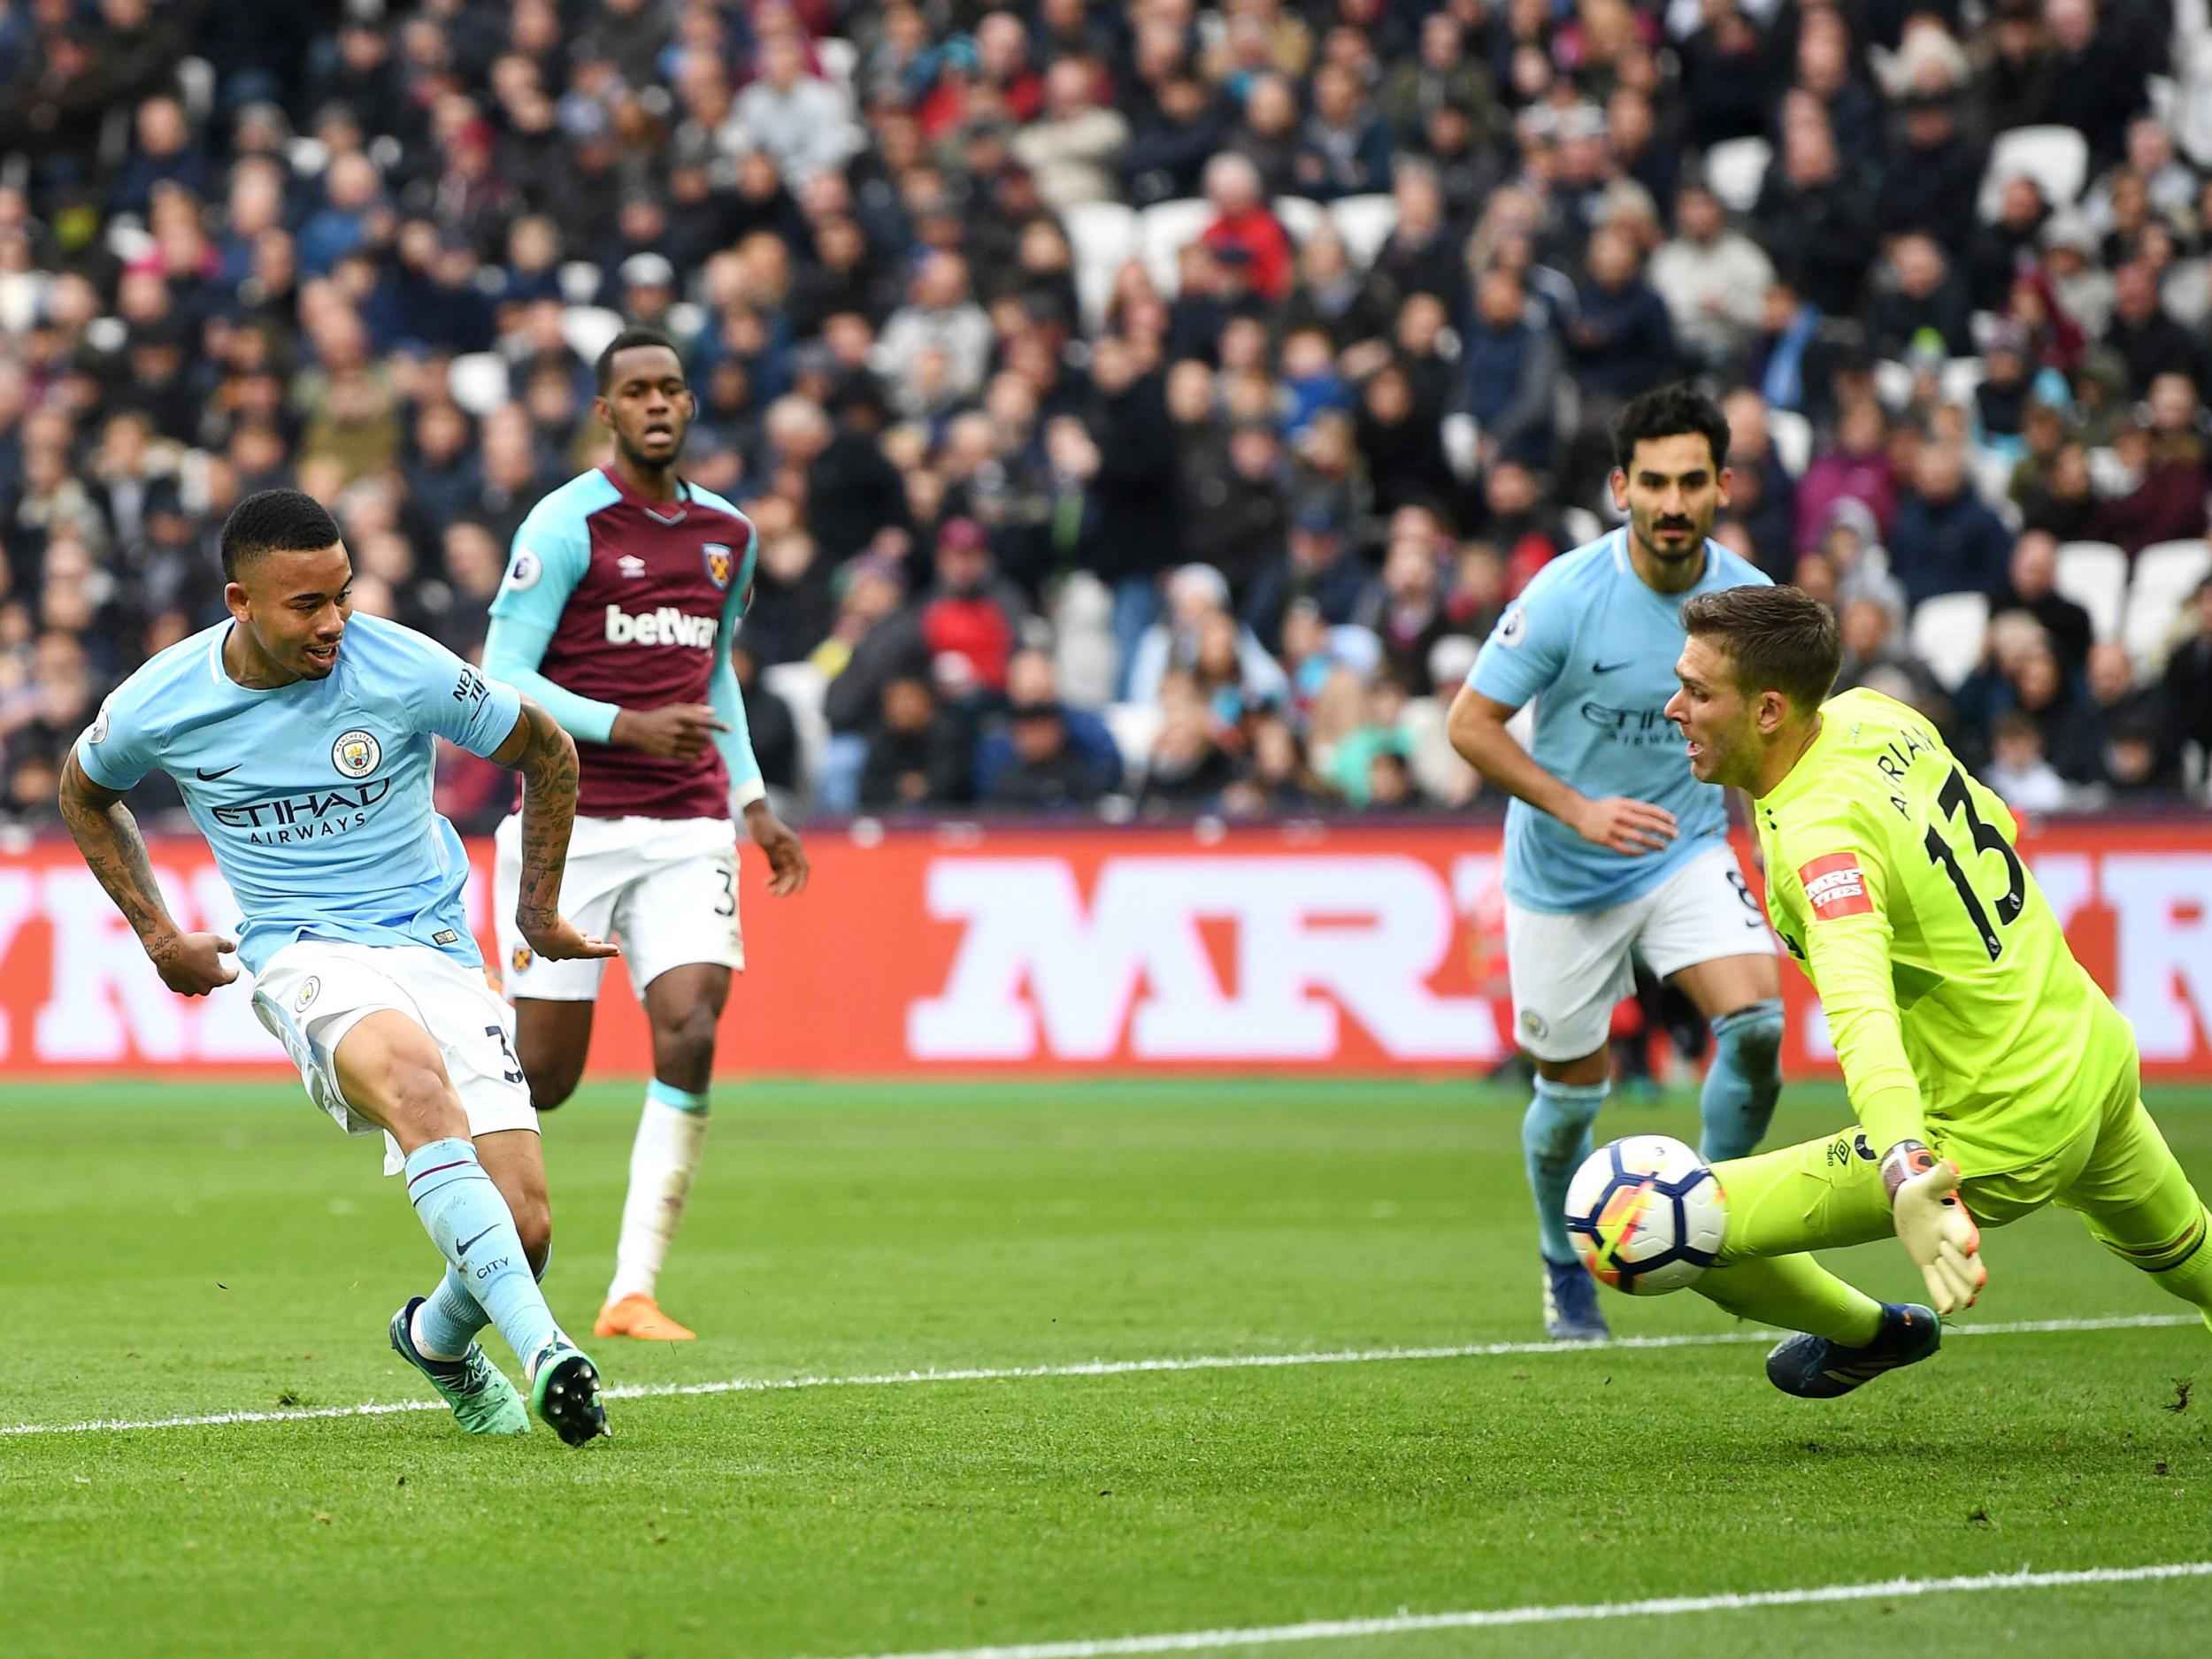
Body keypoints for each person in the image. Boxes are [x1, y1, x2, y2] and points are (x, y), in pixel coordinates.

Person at [58, 488, 613, 1445]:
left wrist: (537, 911)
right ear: (240, 601)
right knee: (411, 1083)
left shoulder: (400, 668)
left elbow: (548, 751)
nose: (334, 623)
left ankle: (435, 1340)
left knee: (522, 1230)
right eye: (305, 605)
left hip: (434, 943)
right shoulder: (162, 700)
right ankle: (549, 1354)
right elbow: (84, 789)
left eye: (343, 595)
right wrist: (159, 935)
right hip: (303, 951)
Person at [1661, 586, 2212, 1397]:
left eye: (1698, 692)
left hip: (1996, 1123)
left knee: (1668, 1221)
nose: (1675, 707)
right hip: (2088, 1046)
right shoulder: (1876, 715)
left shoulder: (1819, 837)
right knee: (2190, 1248)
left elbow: (1859, 1005)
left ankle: (1870, 1334)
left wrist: (1903, 1159)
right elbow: (2001, 826)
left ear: (1770, 709)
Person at [480, 327, 811, 1344]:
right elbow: (503, 674)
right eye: (636, 390)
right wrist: (623, 726)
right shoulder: (566, 524)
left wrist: (753, 801)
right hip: (568, 824)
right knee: (547, 1077)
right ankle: (448, 1067)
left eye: (671, 387)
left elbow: (713, 674)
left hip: (686, 822)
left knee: (693, 1023)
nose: (657, 403)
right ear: (605, 411)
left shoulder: (728, 536)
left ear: (690, 406)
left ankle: (632, 1290)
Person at [1446, 384, 1786, 1343]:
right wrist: (1577, 808)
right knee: (1569, 1101)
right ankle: (1565, 1266)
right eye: (1653, 483)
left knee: (1757, 1025)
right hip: (1563, 873)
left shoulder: (1751, 607)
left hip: (1683, 849)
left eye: (1691, 482)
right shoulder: (1565, 594)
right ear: (1618, 487)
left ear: (1721, 486)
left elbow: (1785, 742)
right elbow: (1469, 726)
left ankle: (1717, 1226)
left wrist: (1772, 834)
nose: (1672, 503)